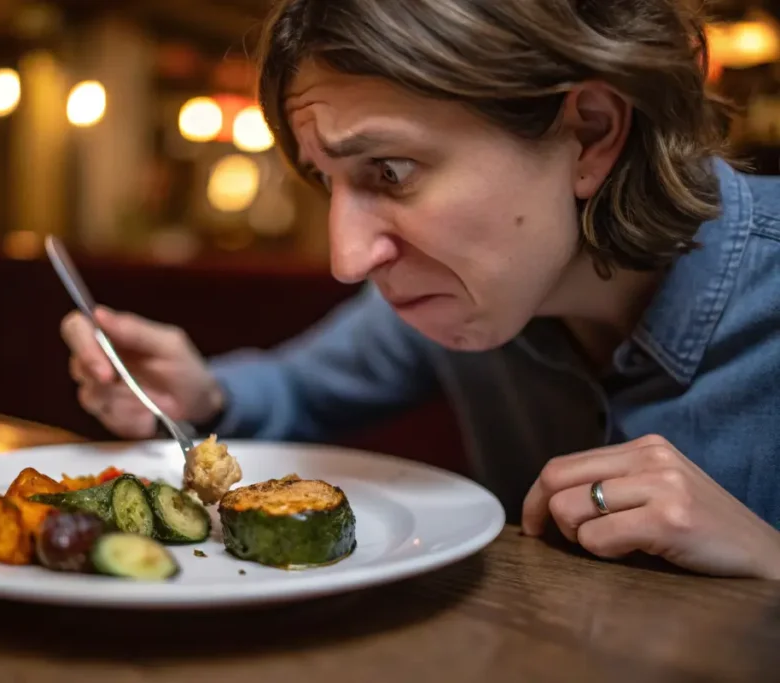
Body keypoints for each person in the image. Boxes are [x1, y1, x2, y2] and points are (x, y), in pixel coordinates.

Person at [61, 0, 780, 579]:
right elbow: (300, 386)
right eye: (326, 182)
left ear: (589, 133)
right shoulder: (450, 299)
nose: (348, 257)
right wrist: (199, 395)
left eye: (392, 172)